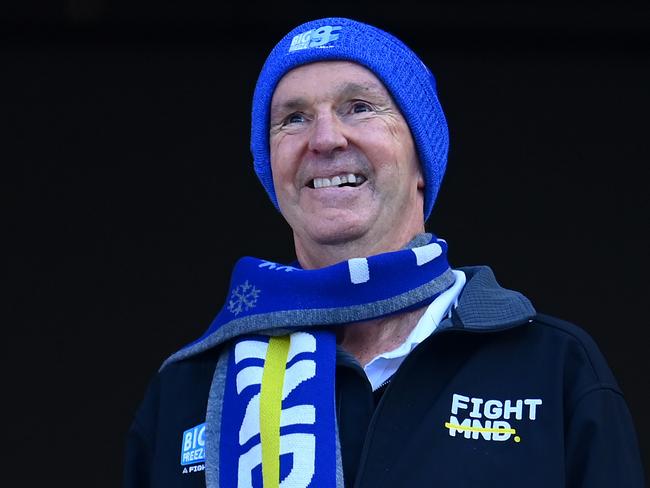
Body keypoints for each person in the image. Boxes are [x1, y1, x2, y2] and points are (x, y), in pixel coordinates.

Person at [123, 17, 646, 487]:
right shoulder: (190, 388)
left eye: (359, 108)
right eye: (294, 118)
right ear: (271, 168)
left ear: (423, 162)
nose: (325, 138)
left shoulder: (552, 368)